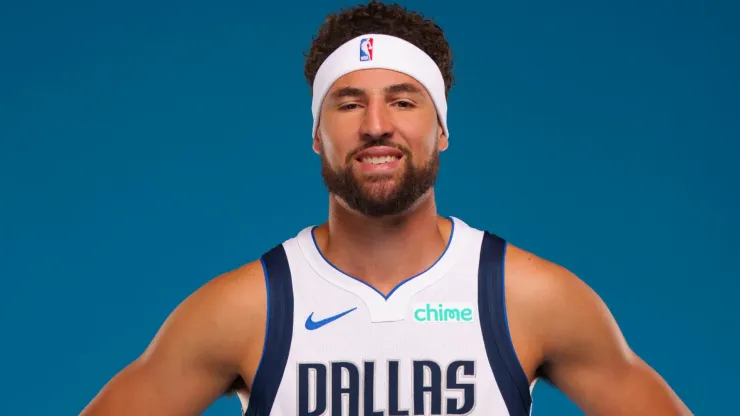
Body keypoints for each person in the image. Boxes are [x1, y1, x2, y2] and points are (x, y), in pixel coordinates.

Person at [80, 1, 691, 415]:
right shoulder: (248, 309)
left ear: (442, 129)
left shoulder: (527, 298)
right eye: (348, 105)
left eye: (403, 102)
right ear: (317, 133)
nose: (376, 126)